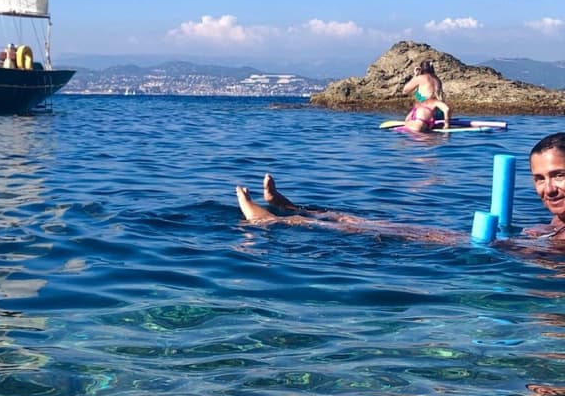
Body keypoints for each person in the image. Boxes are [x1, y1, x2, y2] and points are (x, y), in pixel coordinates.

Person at [234, 133, 565, 251]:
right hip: (516, 245)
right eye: (539, 178)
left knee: (408, 233)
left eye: (558, 175)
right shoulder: (556, 222)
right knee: (369, 223)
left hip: (506, 251)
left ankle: (277, 222)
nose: (547, 189)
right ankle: (293, 211)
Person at [401, 60, 450, 133]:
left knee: (407, 120)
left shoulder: (421, 78)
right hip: (439, 113)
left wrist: (415, 76)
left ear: (421, 69)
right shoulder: (437, 80)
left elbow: (405, 91)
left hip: (425, 112)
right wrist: (447, 123)